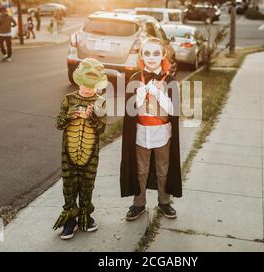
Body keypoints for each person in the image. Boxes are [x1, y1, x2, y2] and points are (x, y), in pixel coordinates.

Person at [120, 38, 181, 222]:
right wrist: (139, 97)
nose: (151, 57)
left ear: (163, 55)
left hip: (163, 133)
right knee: (141, 170)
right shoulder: (135, 79)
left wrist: (157, 93)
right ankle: (139, 203)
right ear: (141, 56)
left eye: (156, 53)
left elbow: (173, 110)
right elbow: (130, 110)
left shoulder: (170, 80)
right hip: (140, 133)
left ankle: (164, 201)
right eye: (147, 53)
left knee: (163, 169)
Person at [53, 58, 108, 240]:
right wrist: (70, 116)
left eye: (91, 85)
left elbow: (101, 128)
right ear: (78, 80)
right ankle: (70, 219)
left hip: (90, 156)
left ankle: (85, 214)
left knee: (86, 186)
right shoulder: (68, 99)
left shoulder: (100, 102)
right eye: (84, 84)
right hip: (68, 155)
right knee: (69, 187)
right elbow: (58, 124)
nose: (87, 89)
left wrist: (92, 117)